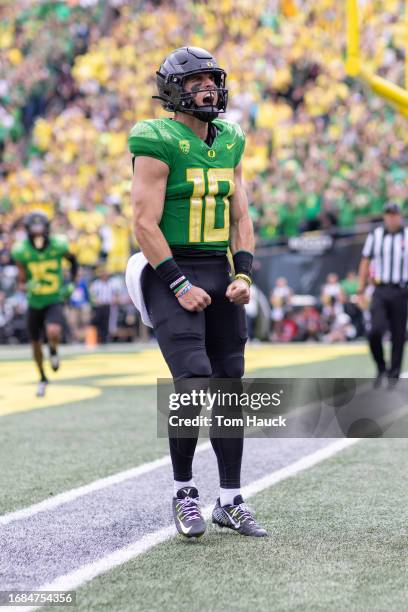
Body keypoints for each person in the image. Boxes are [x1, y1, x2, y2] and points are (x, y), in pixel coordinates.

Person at [127, 47, 267, 538]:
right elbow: (143, 223)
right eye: (195, 81)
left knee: (230, 383)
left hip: (216, 266)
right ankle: (185, 492)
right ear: (172, 91)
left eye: (211, 79)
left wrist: (244, 273)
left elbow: (241, 214)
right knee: (193, 383)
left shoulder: (230, 138)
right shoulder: (156, 137)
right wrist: (180, 284)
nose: (207, 88)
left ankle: (229, 499)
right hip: (167, 267)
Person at [11, 211, 78, 397]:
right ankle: (42, 377)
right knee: (35, 344)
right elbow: (22, 278)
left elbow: (73, 261)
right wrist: (24, 285)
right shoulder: (21, 251)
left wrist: (71, 283)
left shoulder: (58, 245)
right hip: (34, 301)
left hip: (54, 298)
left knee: (53, 331)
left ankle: (54, 350)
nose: (38, 233)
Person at [358, 202, 408, 389]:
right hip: (380, 289)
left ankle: (393, 376)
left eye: (394, 214)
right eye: (388, 214)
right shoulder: (376, 235)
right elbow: (365, 261)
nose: (392, 217)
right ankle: (381, 366)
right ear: (385, 216)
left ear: (400, 216)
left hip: (402, 290)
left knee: (398, 334)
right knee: (374, 330)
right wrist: (361, 289)